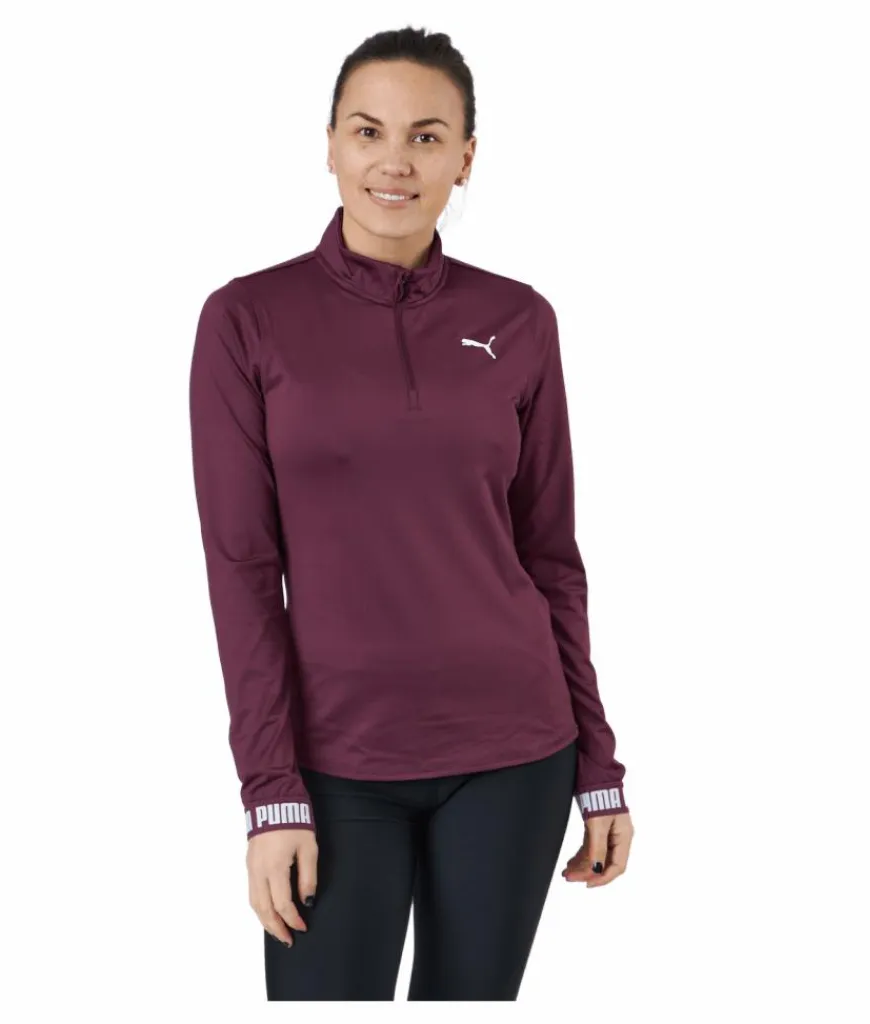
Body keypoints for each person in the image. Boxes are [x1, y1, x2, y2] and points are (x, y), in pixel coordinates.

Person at [188, 25, 635, 1001]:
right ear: (330, 145)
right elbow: (241, 569)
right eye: (368, 131)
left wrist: (598, 761)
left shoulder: (519, 320)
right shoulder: (247, 320)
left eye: (427, 137)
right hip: (335, 760)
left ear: (465, 158)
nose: (395, 161)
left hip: (516, 749)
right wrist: (270, 792)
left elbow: (550, 556)